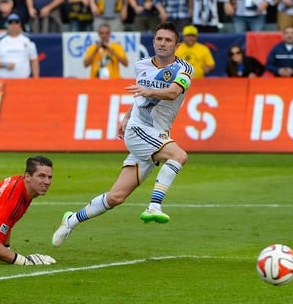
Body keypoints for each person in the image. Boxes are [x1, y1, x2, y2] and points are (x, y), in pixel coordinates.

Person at [52, 21, 193, 247]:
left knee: (116, 197)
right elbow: (140, 99)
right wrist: (127, 117)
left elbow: (173, 92)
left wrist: (149, 91)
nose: (162, 43)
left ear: (176, 46)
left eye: (168, 40)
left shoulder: (184, 69)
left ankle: (71, 220)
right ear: (153, 41)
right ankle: (154, 206)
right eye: (159, 39)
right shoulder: (142, 65)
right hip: (138, 131)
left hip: (157, 134)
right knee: (179, 155)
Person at [0, 13, 39, 78]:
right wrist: (4, 65)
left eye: (16, 22)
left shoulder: (28, 39)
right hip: (3, 80)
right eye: (10, 23)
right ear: (7, 25)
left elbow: (34, 60)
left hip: (23, 81)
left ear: (19, 24)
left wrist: (36, 79)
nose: (13, 25)